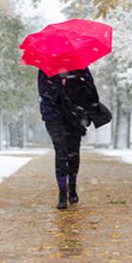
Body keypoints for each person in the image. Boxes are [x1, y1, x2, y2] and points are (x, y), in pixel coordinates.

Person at [37, 67, 100, 209]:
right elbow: (43, 93)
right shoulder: (46, 68)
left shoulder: (81, 68)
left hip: (75, 117)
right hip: (54, 117)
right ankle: (62, 192)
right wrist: (59, 87)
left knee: (73, 153)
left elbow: (90, 90)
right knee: (60, 152)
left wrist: (72, 86)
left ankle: (72, 187)